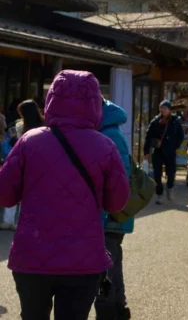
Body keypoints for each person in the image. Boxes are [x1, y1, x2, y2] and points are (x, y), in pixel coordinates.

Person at [0, 70, 130, 320]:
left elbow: (5, 196)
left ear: (51, 100)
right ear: (94, 103)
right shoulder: (105, 145)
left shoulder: (29, 141)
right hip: (83, 259)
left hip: (32, 256)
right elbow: (117, 203)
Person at [94, 99, 135, 320]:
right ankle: (117, 309)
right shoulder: (109, 131)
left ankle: (110, 312)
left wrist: (103, 211)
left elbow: (119, 181)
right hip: (112, 216)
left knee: (107, 270)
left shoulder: (109, 135)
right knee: (112, 265)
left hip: (110, 216)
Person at [1, 100, 45, 232]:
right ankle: (24, 221)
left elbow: (11, 145)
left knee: (15, 190)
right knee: (30, 195)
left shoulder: (18, 127)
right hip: (38, 164)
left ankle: (8, 221)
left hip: (21, 163)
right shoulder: (45, 125)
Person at [143, 100, 185, 204]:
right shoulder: (155, 121)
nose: (162, 110)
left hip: (170, 151)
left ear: (169, 110)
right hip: (157, 151)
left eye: (165, 108)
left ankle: (170, 187)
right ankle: (159, 194)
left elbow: (180, 136)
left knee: (171, 173)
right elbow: (148, 137)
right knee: (157, 174)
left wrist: (175, 146)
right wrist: (146, 152)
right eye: (161, 107)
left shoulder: (175, 121)